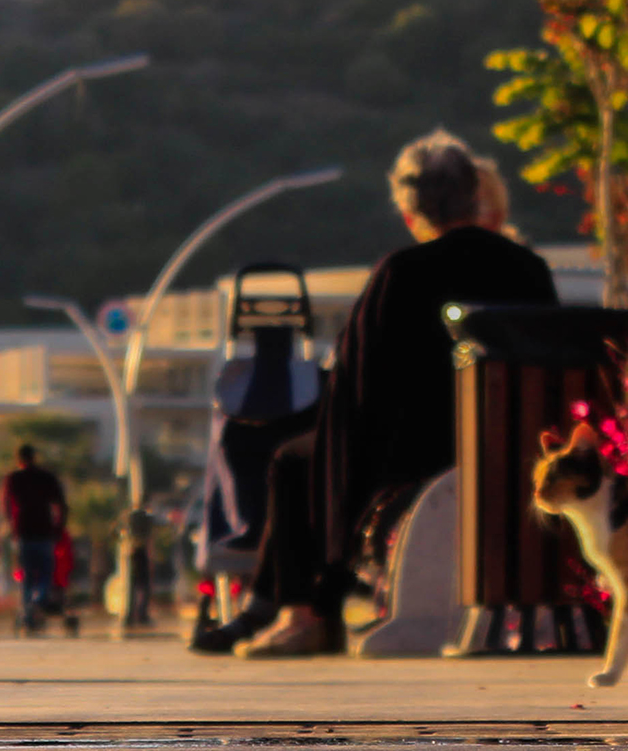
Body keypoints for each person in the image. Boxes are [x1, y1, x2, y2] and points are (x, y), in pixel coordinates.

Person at [221, 131, 556, 658]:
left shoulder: (401, 273)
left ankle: (308, 613)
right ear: (476, 196)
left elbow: (356, 397)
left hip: (414, 462)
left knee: (297, 460)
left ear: (410, 212)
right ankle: (276, 606)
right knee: (317, 450)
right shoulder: (528, 268)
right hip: (512, 451)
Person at [2, 442, 71, 636]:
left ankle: (28, 614)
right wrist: (59, 528)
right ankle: (36, 602)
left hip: (22, 532)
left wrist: (11, 525)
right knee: (45, 576)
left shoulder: (13, 478)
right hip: (44, 531)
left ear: (18, 459)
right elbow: (62, 505)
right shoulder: (46, 478)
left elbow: (7, 505)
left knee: (27, 577)